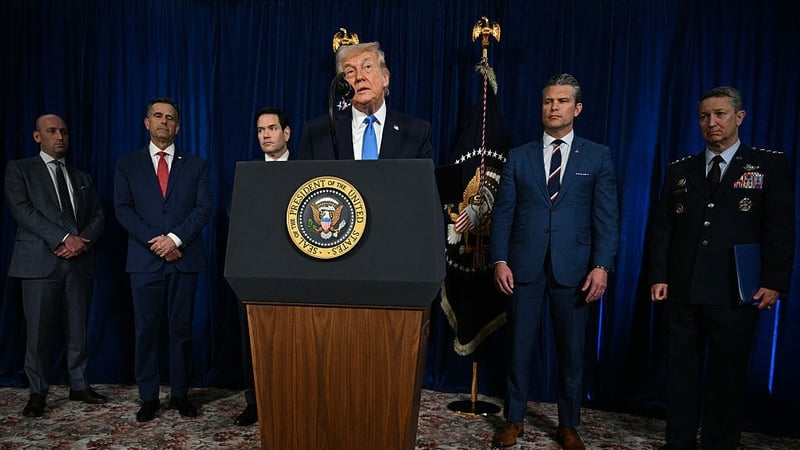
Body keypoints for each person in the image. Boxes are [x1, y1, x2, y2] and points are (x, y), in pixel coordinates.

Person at [648, 86, 795, 450]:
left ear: (739, 117)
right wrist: (659, 275)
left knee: (727, 376)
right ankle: (679, 442)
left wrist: (774, 281)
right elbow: (662, 229)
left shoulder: (767, 166)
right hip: (684, 288)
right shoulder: (680, 169)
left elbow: (780, 229)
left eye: (720, 114)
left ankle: (719, 443)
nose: (711, 122)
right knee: (680, 374)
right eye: (704, 116)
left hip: (735, 291)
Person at [490, 73, 619, 450]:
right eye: (548, 101)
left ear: (577, 109)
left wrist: (602, 266)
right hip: (523, 265)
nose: (553, 107)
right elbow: (503, 213)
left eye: (562, 101)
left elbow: (607, 217)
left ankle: (568, 424)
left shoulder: (597, 155)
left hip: (575, 269)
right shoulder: (519, 156)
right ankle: (514, 419)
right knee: (519, 347)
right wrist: (499, 259)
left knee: (573, 351)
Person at [114, 97, 211, 422]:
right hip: (144, 262)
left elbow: (203, 209)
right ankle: (149, 396)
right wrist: (157, 242)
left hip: (184, 258)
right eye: (158, 116)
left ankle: (180, 393)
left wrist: (175, 239)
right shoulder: (127, 164)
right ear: (147, 123)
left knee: (181, 331)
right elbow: (123, 209)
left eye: (170, 118)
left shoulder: (196, 165)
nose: (164, 122)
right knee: (146, 331)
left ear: (178, 127)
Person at [4, 114, 107, 418]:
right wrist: (63, 238)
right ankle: (38, 392)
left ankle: (79, 384)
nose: (59, 136)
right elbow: (23, 211)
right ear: (38, 137)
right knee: (37, 333)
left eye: (63, 131)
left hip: (79, 263)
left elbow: (99, 216)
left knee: (78, 329)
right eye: (51, 131)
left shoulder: (82, 177)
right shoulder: (19, 169)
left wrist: (81, 241)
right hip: (38, 264)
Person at [232, 107, 291, 427]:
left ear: (286, 133)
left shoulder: (306, 171)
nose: (265, 135)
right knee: (252, 340)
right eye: (260, 130)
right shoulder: (248, 175)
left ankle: (291, 399)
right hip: (254, 272)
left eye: (272, 128)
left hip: (295, 274)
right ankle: (254, 402)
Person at [297, 41, 433, 160]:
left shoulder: (416, 132)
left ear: (385, 78)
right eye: (350, 72)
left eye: (367, 67)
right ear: (343, 85)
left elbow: (424, 181)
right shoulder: (318, 133)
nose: (359, 77)